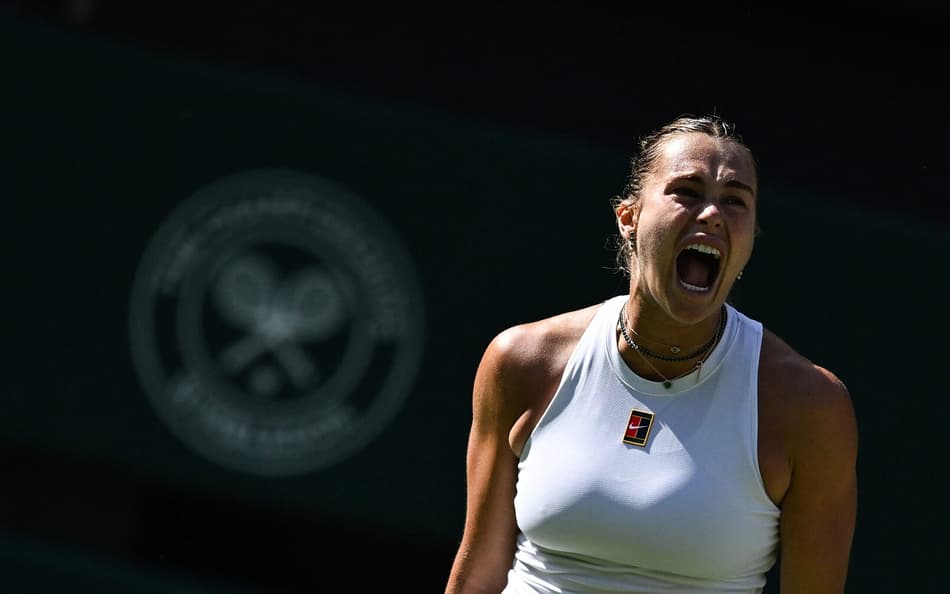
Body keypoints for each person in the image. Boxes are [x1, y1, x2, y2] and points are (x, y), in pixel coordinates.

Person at [443, 114, 858, 594]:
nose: (713, 214)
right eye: (687, 191)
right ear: (629, 218)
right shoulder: (522, 361)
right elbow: (477, 575)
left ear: (749, 243)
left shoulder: (810, 405)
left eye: (735, 201)